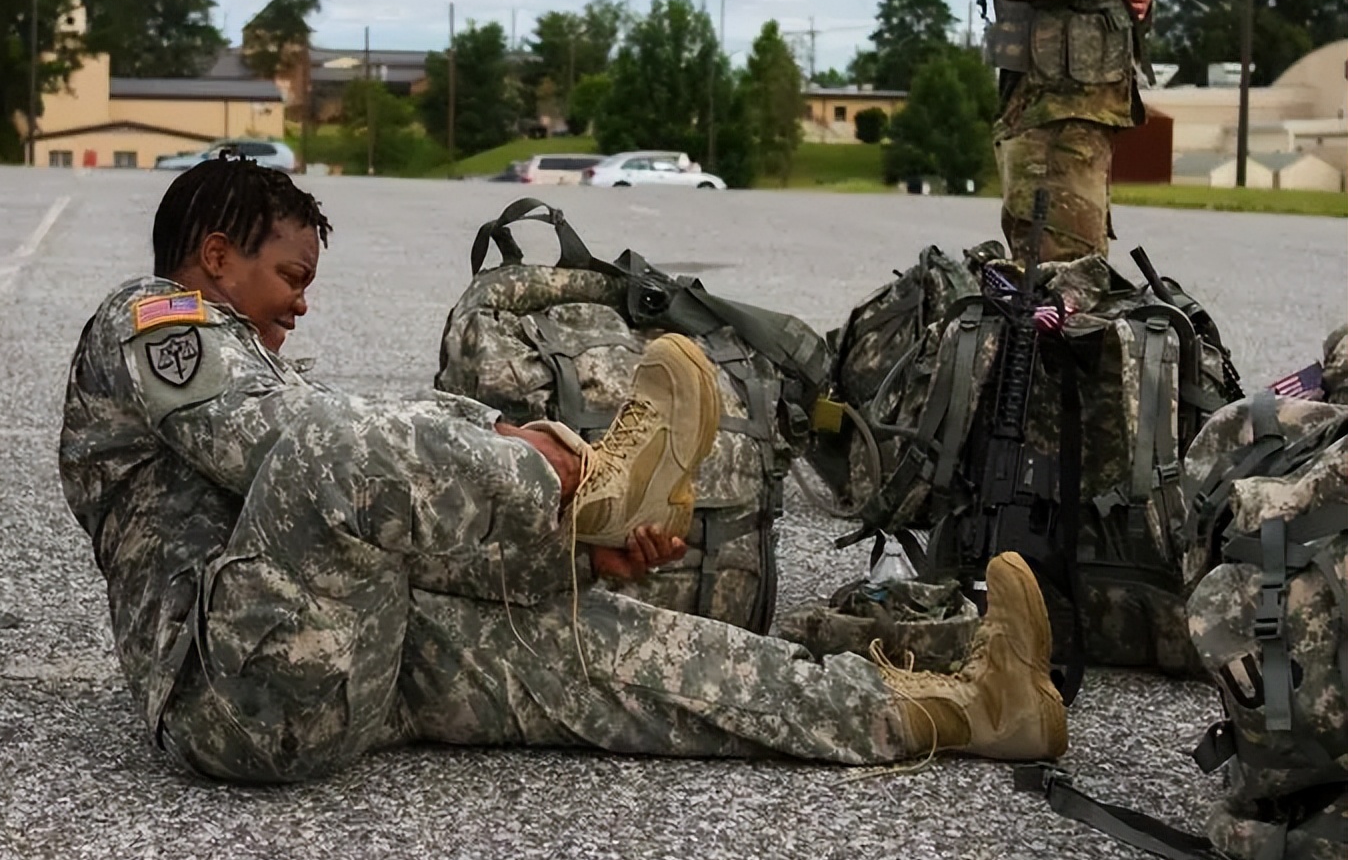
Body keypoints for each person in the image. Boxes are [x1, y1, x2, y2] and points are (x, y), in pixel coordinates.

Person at [59, 156, 1067, 784]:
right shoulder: (146, 322)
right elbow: (285, 448)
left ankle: (954, 707)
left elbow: (379, 522)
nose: (302, 306)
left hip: (342, 664)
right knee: (344, 439)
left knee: (627, 656)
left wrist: (567, 565)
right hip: (229, 696)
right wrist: (523, 465)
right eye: (291, 277)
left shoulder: (266, 377)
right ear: (219, 256)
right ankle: (578, 485)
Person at [986, 0, 1154, 263]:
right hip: (1049, 117)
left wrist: (1137, 5)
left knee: (1078, 270)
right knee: (1059, 274)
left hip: (1089, 112)